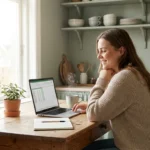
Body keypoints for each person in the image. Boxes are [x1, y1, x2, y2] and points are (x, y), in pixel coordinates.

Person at [73, 28, 150, 150]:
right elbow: (116, 104)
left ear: (121, 51)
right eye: (98, 51)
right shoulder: (135, 72)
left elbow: (93, 114)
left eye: (103, 51)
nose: (98, 56)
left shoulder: (124, 77)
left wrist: (102, 79)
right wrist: (89, 105)